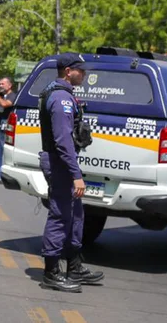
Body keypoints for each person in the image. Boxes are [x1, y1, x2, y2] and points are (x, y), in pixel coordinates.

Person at [39, 53, 103, 292]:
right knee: (60, 215)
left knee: (76, 215)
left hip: (64, 162)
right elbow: (63, 141)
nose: (84, 74)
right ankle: (51, 272)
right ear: (68, 71)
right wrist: (76, 174)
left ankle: (74, 266)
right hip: (60, 163)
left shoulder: (65, 95)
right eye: (80, 70)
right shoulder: (59, 98)